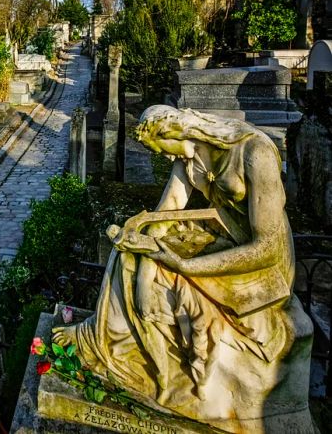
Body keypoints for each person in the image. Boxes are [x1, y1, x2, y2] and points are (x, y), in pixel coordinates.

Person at [52, 105, 311, 431]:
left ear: (179, 130)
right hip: (224, 238)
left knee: (169, 273)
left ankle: (170, 374)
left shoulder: (254, 152)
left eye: (162, 148)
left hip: (259, 264)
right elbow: (168, 209)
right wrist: (140, 235)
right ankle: (101, 340)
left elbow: (267, 246)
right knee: (127, 256)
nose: (163, 157)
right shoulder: (188, 159)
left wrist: (187, 265)